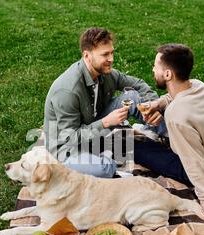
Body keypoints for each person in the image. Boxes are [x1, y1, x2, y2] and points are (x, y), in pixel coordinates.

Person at [43, 27, 168, 178]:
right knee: (103, 169)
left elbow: (139, 84)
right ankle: (108, 161)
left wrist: (153, 108)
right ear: (87, 55)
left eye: (112, 52)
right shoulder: (67, 91)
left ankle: (171, 135)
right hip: (67, 146)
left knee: (132, 97)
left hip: (93, 126)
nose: (111, 59)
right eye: (105, 54)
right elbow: (69, 137)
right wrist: (105, 123)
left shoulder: (105, 73)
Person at [136, 44, 204, 225]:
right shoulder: (198, 86)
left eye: (156, 66)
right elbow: (172, 98)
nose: (153, 69)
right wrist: (157, 104)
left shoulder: (177, 115)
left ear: (168, 74)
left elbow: (194, 160)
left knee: (135, 146)